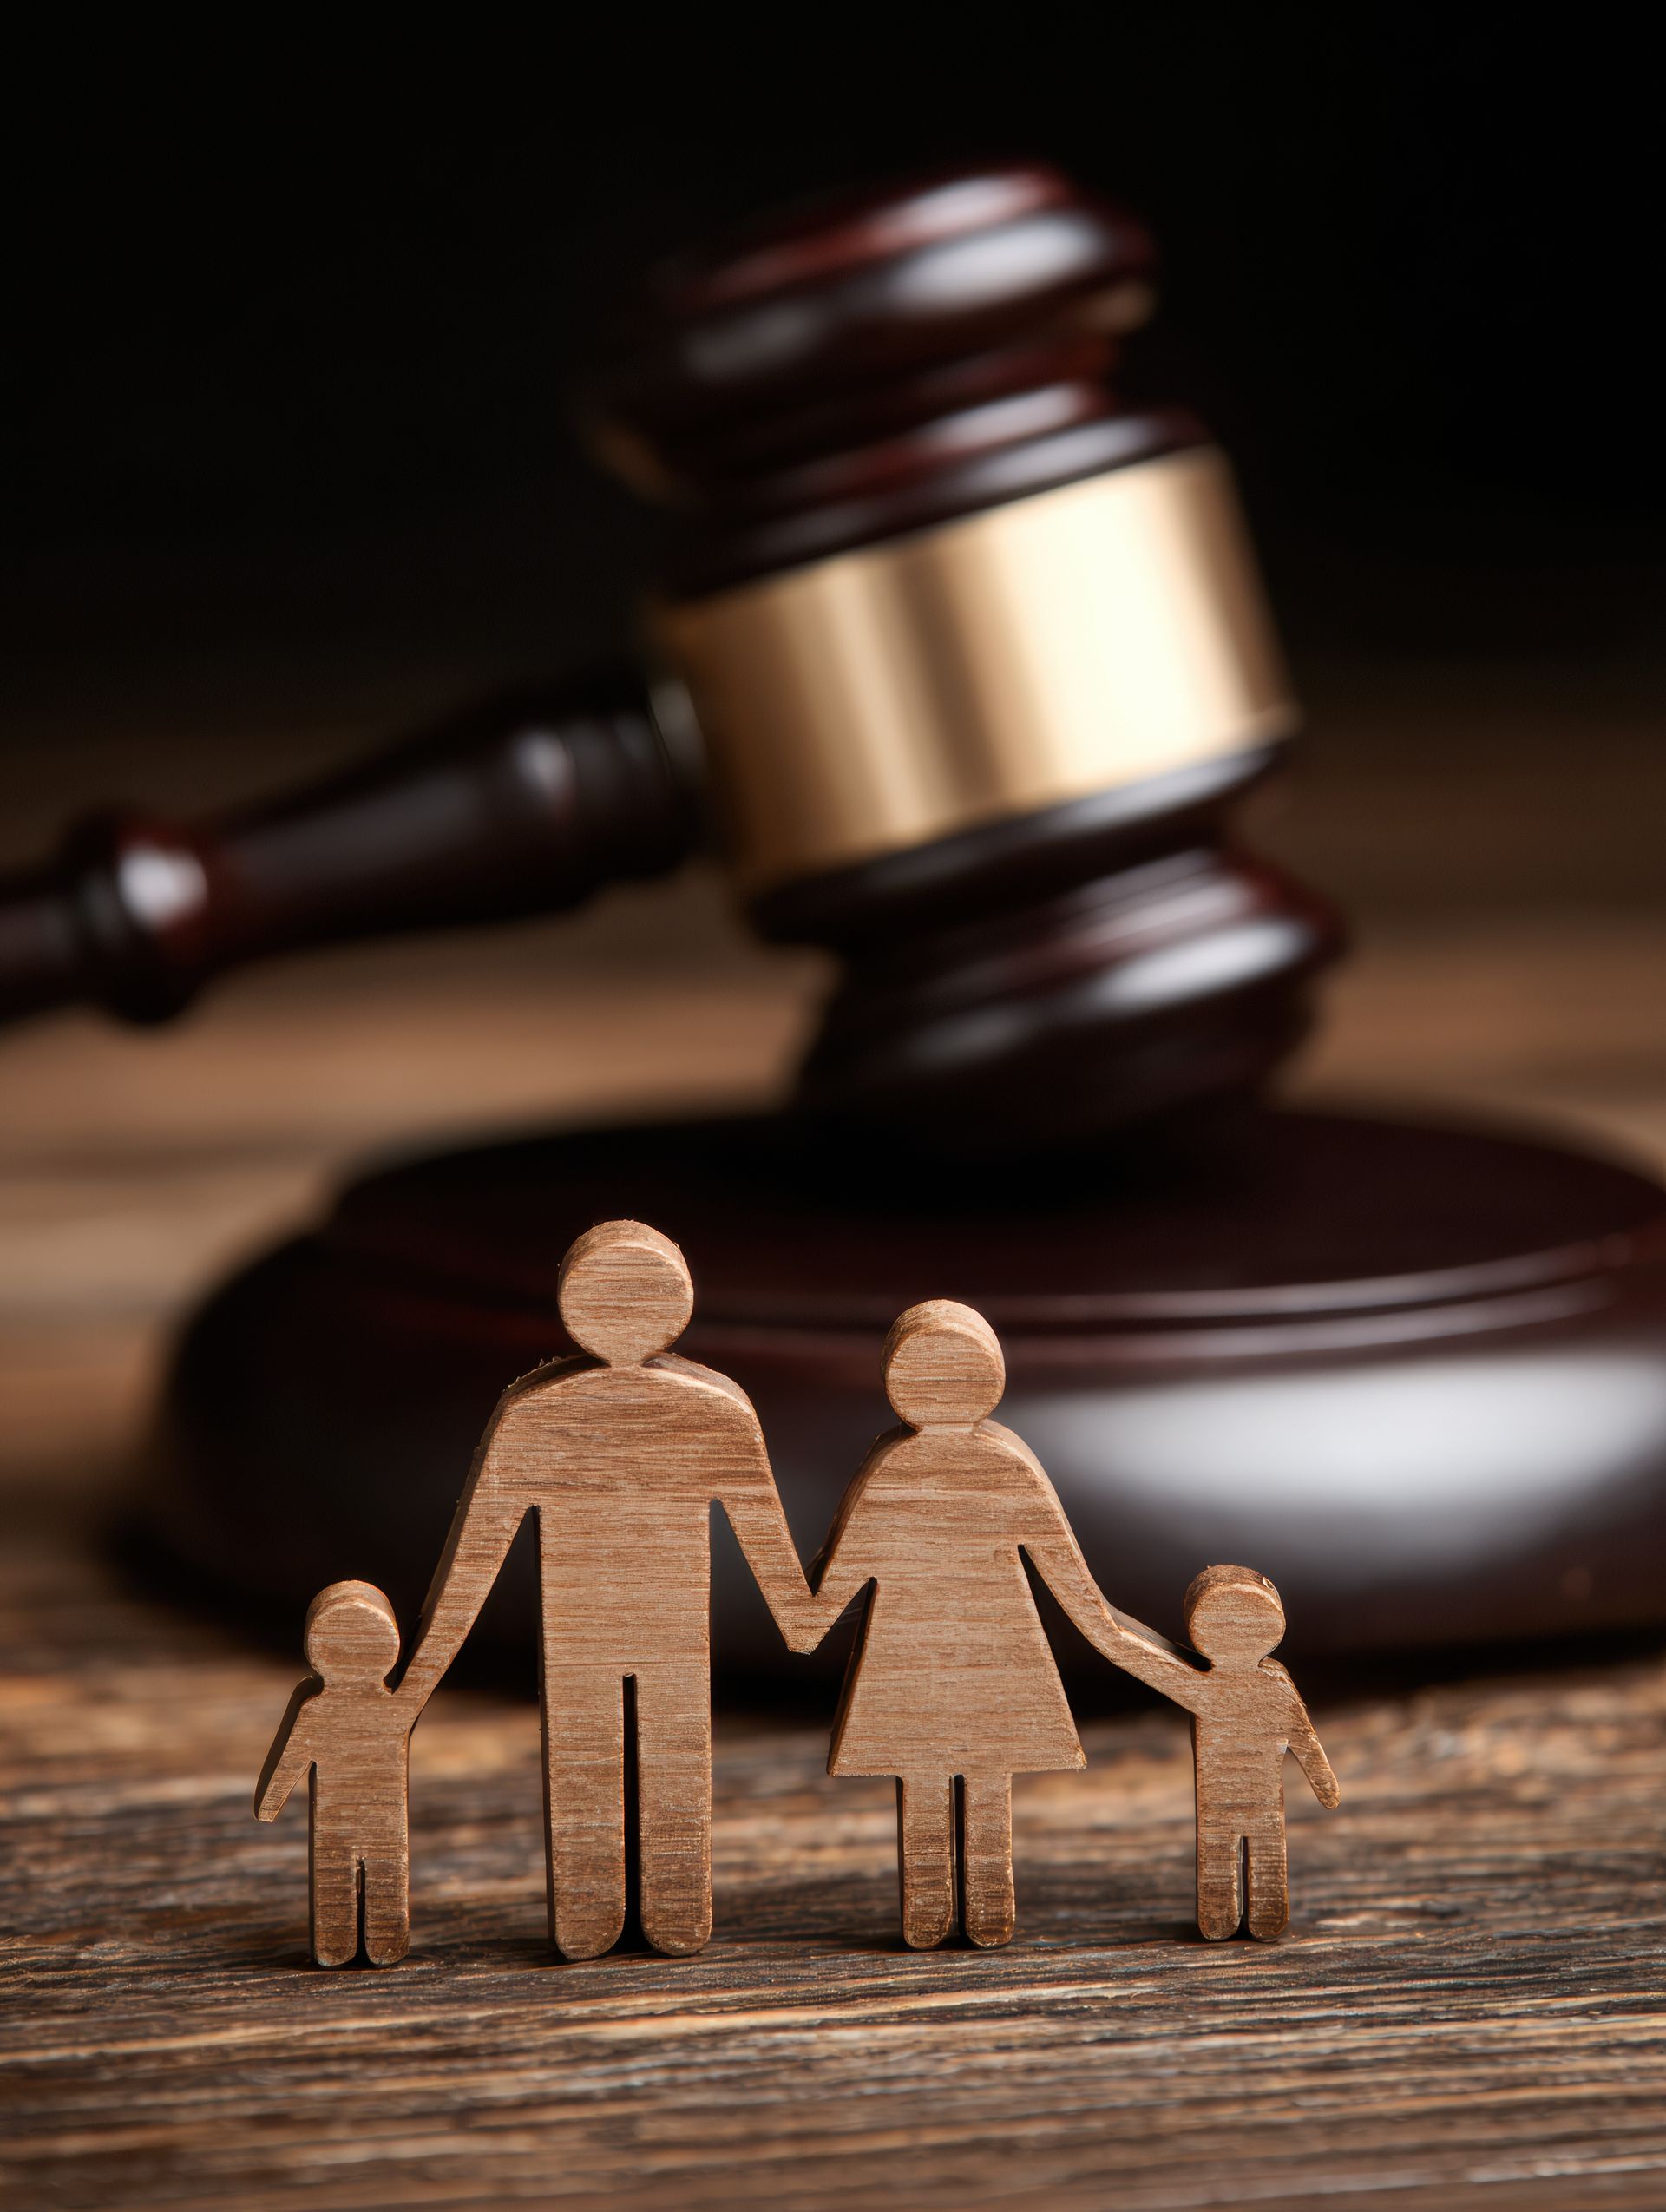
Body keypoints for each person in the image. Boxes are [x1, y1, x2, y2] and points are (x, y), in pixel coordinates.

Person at [391, 1218, 816, 1959]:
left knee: (628, 1763)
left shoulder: (550, 1414)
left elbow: (472, 1563)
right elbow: (478, 1555)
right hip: (610, 1631)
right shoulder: (701, 1411)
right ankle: (646, 1912)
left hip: (637, 1631)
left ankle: (641, 1913)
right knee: (626, 1762)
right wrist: (807, 1620)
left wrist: (417, 1680)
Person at [797, 1298, 1136, 1949]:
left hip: (945, 1655)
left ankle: (955, 1911)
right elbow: (1075, 1586)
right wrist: (1119, 1640)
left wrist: (798, 1616)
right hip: (964, 1654)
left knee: (957, 1778)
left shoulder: (911, 1469)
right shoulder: (978, 1466)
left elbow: (833, 1588)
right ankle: (964, 1910)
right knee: (963, 1778)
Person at [1089, 1564, 1340, 1939]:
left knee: (1245, 1855)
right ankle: (1226, 1920)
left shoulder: (1237, 1686)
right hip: (1231, 1801)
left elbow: (1302, 1737)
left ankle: (1246, 1919)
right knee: (1230, 1855)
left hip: (1251, 1800)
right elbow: (1305, 1739)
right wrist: (1326, 1786)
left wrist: (1325, 1784)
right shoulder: (1221, 1686)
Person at [255, 1579, 412, 1966]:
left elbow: (290, 1760)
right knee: (359, 1877)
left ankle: (354, 1945)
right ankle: (360, 1945)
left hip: (360, 1820)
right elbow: (293, 1755)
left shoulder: (335, 1708)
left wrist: (270, 1804)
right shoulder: (388, 1707)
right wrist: (270, 1802)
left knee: (353, 1878)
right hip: (363, 1820)